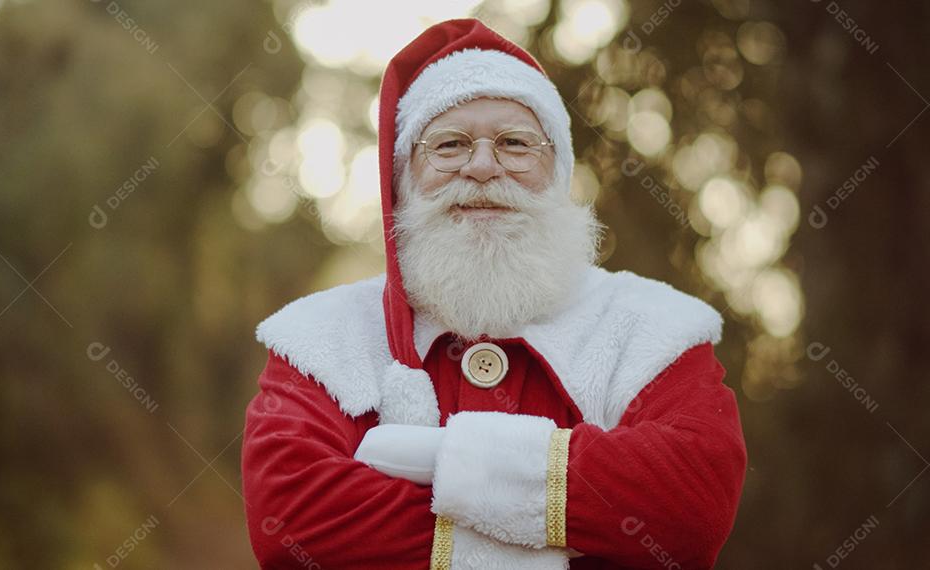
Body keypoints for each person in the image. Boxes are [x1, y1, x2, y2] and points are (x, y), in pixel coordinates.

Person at [241, 18, 747, 569]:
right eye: (450, 145)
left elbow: (690, 508)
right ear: (403, 180)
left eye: (515, 144)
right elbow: (294, 525)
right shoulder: (319, 338)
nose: (483, 167)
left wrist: (437, 461)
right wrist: (568, 530)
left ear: (559, 173)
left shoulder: (654, 325)